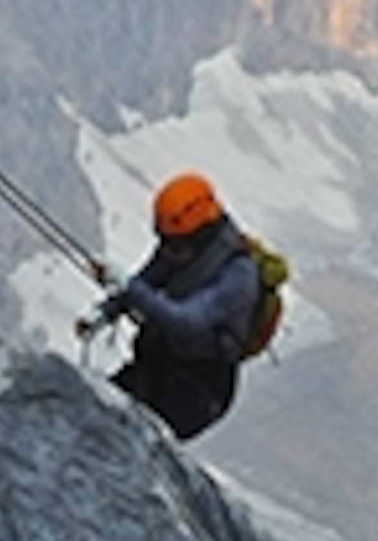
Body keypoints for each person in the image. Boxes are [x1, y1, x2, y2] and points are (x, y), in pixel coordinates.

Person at [80, 172, 262, 443]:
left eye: (175, 244)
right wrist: (104, 313)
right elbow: (148, 280)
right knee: (93, 415)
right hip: (158, 365)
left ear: (201, 235)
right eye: (165, 242)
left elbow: (185, 321)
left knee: (131, 441)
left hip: (198, 391)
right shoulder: (180, 249)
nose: (168, 252)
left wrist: (127, 287)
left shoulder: (238, 277)